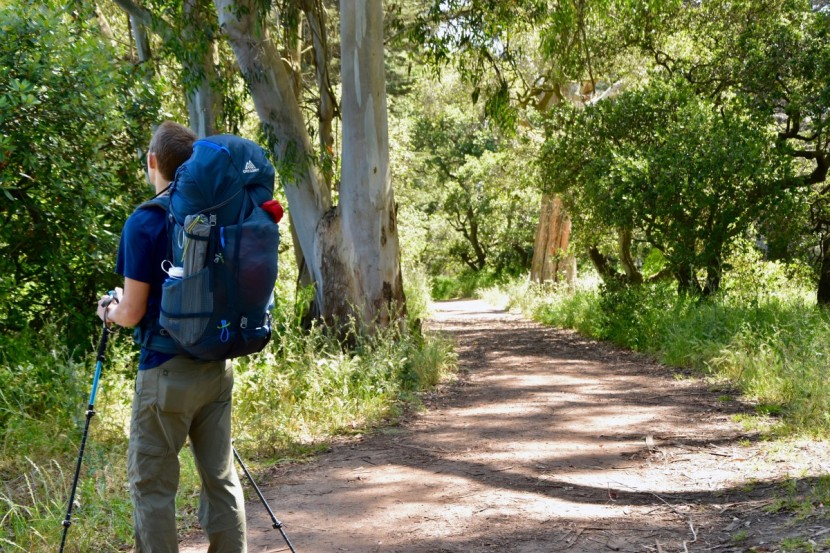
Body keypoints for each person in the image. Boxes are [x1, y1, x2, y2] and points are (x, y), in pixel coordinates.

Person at [96, 121, 247, 553]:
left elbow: (132, 312)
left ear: (152, 162)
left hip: (165, 372)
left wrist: (108, 309)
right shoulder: (217, 215)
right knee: (220, 479)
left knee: (153, 487)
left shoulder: (144, 221)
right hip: (216, 368)